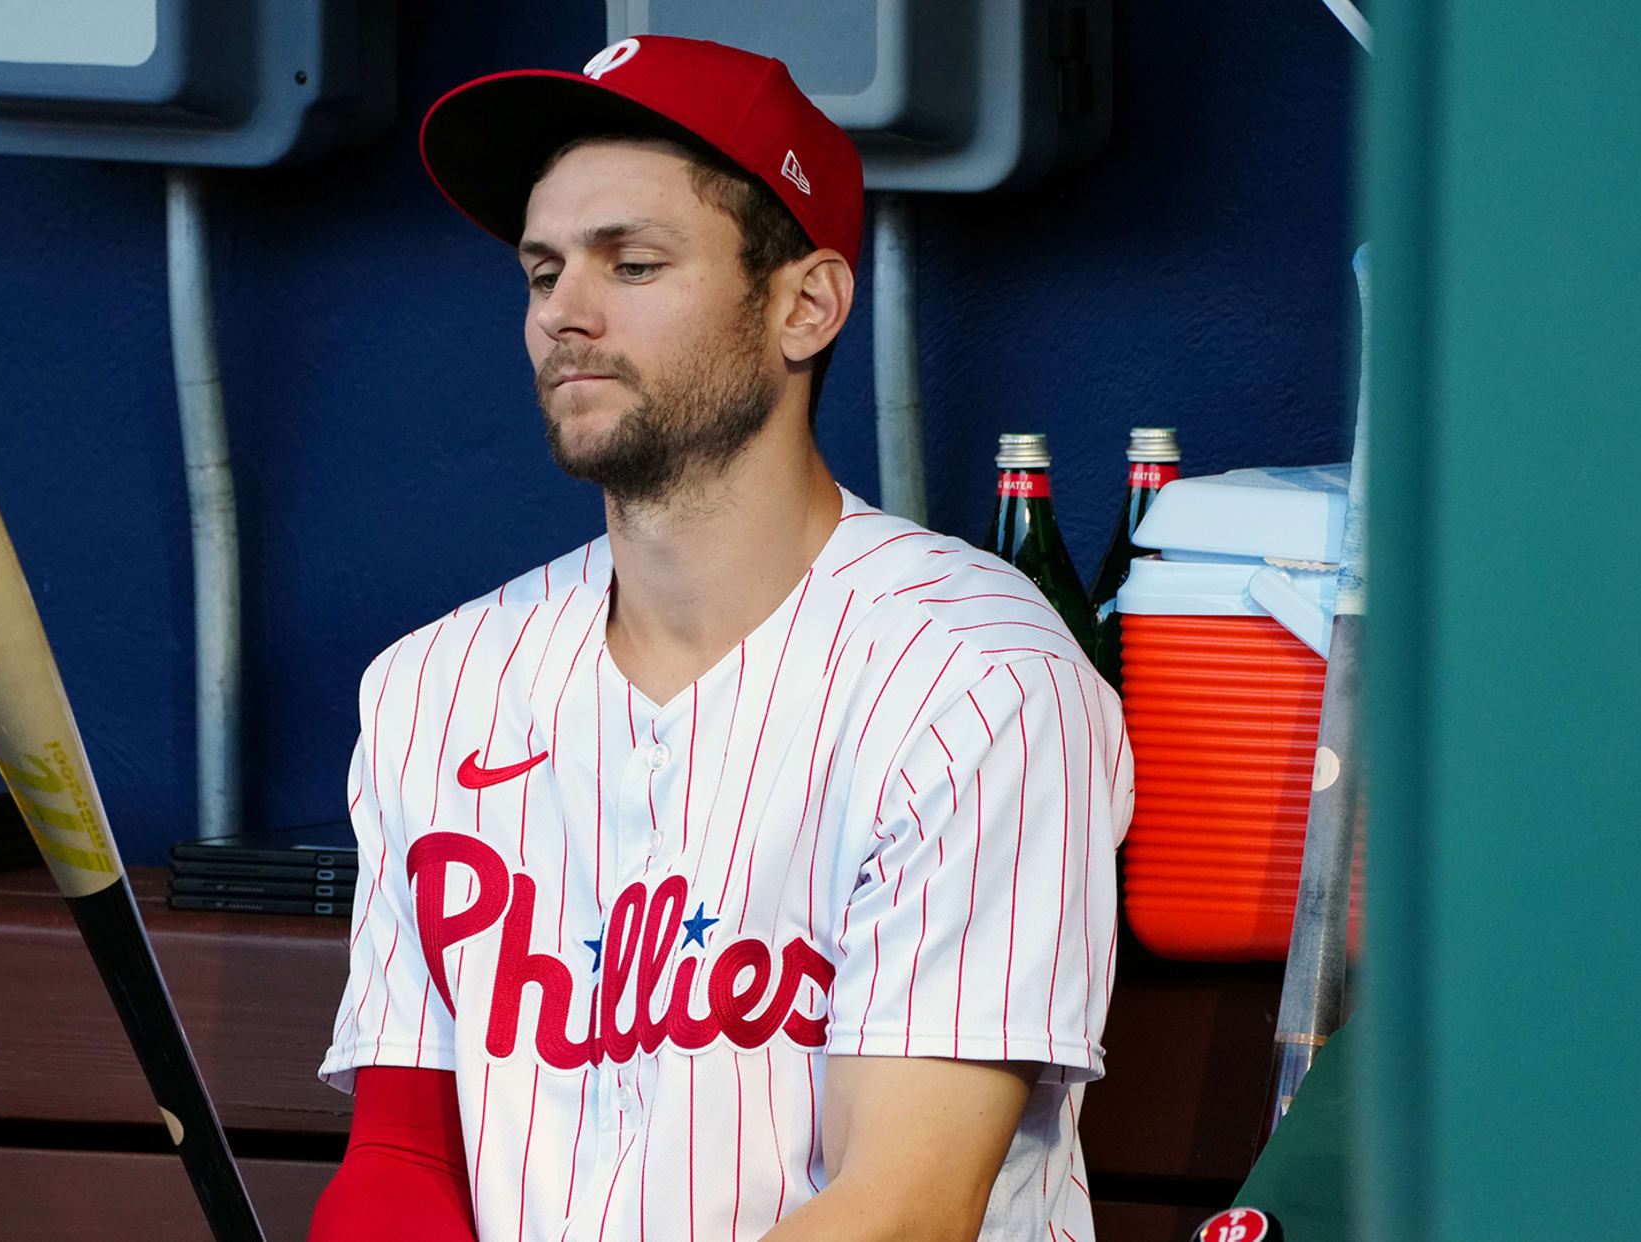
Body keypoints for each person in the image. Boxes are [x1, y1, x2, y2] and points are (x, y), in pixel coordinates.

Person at [309, 34, 1132, 1242]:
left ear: (805, 305)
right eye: (542, 275)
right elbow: (402, 1157)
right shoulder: (436, 688)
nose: (565, 317)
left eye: (630, 264)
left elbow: (901, 1209)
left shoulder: (977, 677)